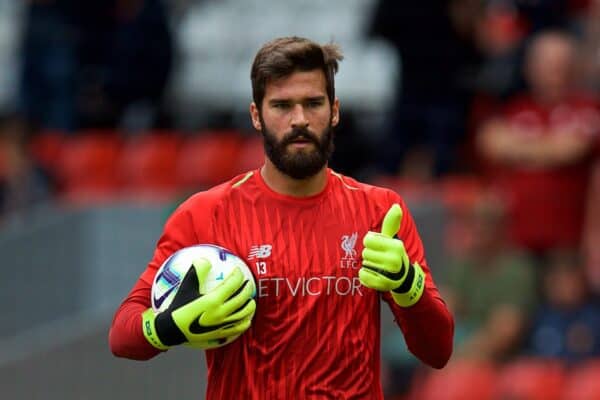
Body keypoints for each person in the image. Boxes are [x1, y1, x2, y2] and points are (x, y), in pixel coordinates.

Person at [109, 37, 454, 399]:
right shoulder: (205, 213)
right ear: (256, 115)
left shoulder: (379, 212)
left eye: (313, 103)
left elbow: (438, 350)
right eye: (282, 106)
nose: (300, 120)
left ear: (334, 111)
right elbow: (123, 334)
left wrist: (407, 284)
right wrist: (169, 326)